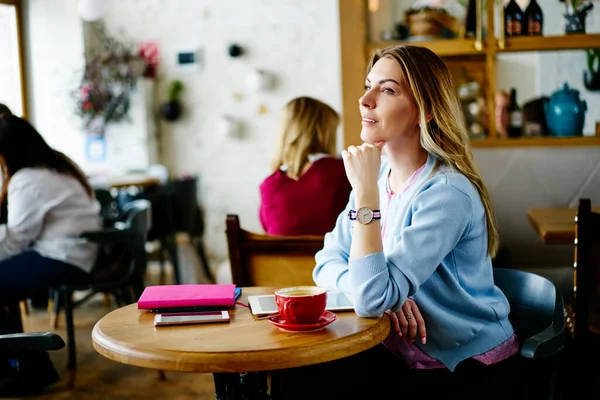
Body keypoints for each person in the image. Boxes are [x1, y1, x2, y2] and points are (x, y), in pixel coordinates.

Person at [274, 45, 518, 399]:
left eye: (387, 90)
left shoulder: (446, 193)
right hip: (401, 353)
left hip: (463, 365)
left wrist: (377, 291)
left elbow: (371, 299)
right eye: (368, 85)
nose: (365, 100)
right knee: (294, 374)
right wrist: (385, 295)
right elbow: (325, 263)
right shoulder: (378, 174)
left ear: (426, 110)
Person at [259, 96, 351, 236]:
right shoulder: (344, 172)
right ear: (324, 133)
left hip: (282, 258)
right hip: (333, 257)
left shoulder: (268, 185)